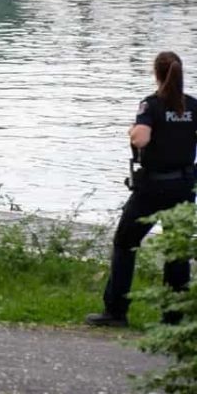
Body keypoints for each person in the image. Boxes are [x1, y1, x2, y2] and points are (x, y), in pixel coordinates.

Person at [86, 51, 197, 328]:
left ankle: (116, 311)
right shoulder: (193, 105)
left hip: (152, 188)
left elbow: (142, 138)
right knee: (176, 250)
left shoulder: (151, 105)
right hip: (183, 187)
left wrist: (133, 131)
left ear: (156, 73)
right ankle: (174, 318)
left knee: (125, 244)